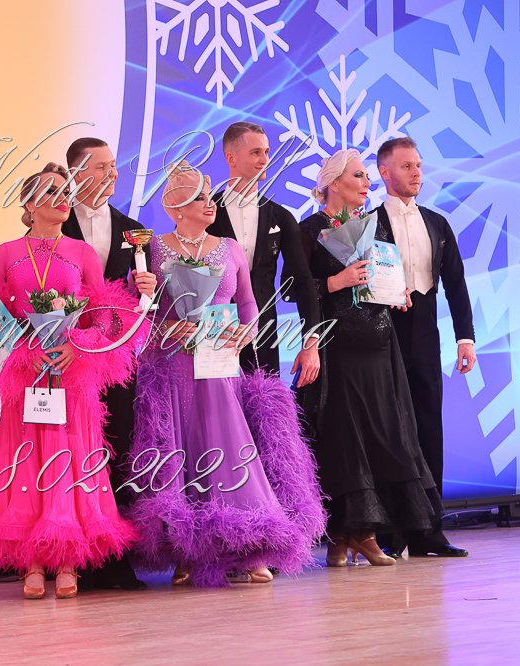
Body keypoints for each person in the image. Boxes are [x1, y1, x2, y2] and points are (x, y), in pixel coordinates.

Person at [126, 162, 325, 587]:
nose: (209, 202)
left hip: (218, 364)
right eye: (198, 196)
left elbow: (248, 303)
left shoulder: (230, 248)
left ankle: (249, 546)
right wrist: (160, 322)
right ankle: (187, 550)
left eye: (209, 194)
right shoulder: (152, 250)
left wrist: (243, 333)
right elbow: (137, 311)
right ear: (174, 206)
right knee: (179, 452)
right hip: (171, 367)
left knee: (229, 448)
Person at [0, 163, 145, 599]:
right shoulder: (6, 252)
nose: (63, 199)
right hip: (27, 376)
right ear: (28, 204)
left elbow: (104, 316)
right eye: (52, 192)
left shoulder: (82, 252)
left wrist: (79, 346)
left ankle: (67, 561)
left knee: (70, 460)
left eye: (65, 192)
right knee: (26, 463)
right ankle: (32, 562)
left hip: (71, 377)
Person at [295, 148, 442, 567]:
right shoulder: (309, 230)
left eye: (366, 176)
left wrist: (397, 292)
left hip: (379, 343)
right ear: (333, 182)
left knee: (382, 433)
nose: (366, 183)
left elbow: (384, 275)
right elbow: (293, 289)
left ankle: (353, 536)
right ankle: (351, 533)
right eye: (359, 175)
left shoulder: (373, 226)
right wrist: (335, 281)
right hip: (337, 344)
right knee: (344, 437)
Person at [60, 137, 154, 590]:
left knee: (119, 444)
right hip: (65, 357)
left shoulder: (134, 231)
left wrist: (147, 290)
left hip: (116, 357)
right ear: (77, 173)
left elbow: (144, 305)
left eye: (114, 165)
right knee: (69, 450)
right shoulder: (54, 224)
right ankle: (68, 554)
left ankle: (115, 556)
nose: (113, 173)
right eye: (102, 166)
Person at [375, 137, 476, 559]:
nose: (417, 172)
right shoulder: (367, 223)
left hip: (425, 334)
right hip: (380, 335)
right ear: (384, 172)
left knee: (429, 427)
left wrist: (465, 338)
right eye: (407, 166)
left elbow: (456, 283)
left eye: (418, 165)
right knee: (388, 431)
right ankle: (390, 532)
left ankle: (429, 531)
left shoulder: (437, 223)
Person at [207, 122, 321, 387]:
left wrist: (311, 342)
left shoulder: (281, 217)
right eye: (256, 152)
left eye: (267, 152)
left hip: (265, 332)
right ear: (231, 158)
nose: (265, 160)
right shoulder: (206, 211)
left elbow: (302, 282)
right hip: (213, 332)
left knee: (263, 405)